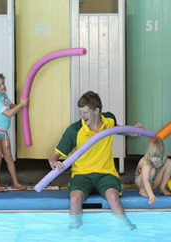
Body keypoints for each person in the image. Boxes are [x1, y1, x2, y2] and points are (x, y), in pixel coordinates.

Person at [48, 91, 144, 230]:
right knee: (75, 200)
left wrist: (132, 131)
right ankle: (75, 231)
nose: (82, 116)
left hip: (106, 173)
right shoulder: (74, 130)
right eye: (80, 112)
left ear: (97, 110)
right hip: (82, 175)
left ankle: (128, 228)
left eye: (85, 112)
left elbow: (116, 129)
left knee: (113, 198)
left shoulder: (109, 119)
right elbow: (54, 155)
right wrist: (53, 162)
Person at [0, 72, 28, 192]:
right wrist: (21, 105)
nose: (3, 86)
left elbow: (11, 106)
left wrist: (20, 104)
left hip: (3, 132)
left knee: (9, 157)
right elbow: (8, 113)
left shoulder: (3, 95)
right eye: (0, 85)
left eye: (3, 83)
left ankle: (16, 183)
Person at [135, 140, 171, 205]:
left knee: (170, 162)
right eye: (153, 156)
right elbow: (145, 179)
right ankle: (142, 191)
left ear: (162, 154)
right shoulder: (145, 161)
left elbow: (166, 163)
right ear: (149, 153)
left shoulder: (163, 158)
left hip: (153, 182)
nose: (156, 159)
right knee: (152, 170)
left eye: (158, 156)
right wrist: (151, 195)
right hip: (141, 182)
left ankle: (162, 188)